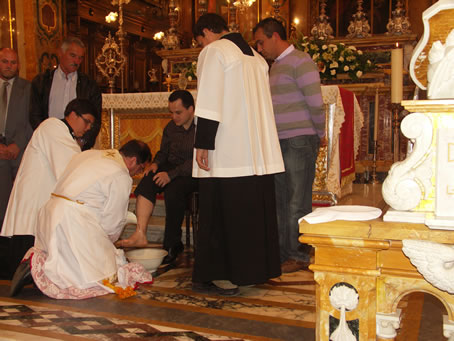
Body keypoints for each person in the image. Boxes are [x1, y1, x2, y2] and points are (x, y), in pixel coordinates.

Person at [191, 13, 284, 296]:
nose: (201, 45)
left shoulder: (215, 51)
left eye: (200, 40)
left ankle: (222, 275)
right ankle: (253, 272)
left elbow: (208, 99)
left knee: (221, 214)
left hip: (227, 150)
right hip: (254, 152)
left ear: (207, 32)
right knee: (252, 214)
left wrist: (203, 142)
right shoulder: (257, 58)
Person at [10, 140, 152, 299]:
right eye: (140, 169)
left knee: (66, 258)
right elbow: (113, 221)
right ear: (133, 161)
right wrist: (107, 243)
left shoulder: (90, 153)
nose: (137, 173)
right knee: (102, 274)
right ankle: (44, 272)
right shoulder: (120, 174)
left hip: (49, 213)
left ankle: (39, 266)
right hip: (72, 221)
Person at [253, 18, 326, 273]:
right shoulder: (274, 67)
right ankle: (284, 251)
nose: (260, 48)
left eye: (261, 42)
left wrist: (320, 133)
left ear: (275, 36)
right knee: (281, 199)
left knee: (298, 200)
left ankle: (298, 254)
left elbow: (316, 102)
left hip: (299, 139)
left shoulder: (301, 61)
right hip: (279, 140)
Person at [0, 98, 97, 278]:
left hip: (41, 201)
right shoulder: (53, 126)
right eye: (87, 121)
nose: (89, 127)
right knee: (23, 262)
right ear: (73, 115)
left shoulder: (64, 135)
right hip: (33, 202)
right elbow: (70, 167)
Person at [118, 90, 197, 265]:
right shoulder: (170, 127)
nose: (174, 117)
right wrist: (155, 164)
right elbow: (163, 153)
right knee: (148, 179)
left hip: (192, 171)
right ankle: (141, 233)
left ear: (191, 109)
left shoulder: (201, 128)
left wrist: (170, 175)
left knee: (173, 191)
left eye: (178, 112)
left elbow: (196, 160)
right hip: (171, 166)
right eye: (171, 112)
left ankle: (172, 245)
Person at [29, 37, 102, 150]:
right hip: (48, 142)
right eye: (73, 56)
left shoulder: (90, 85)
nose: (76, 61)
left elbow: (95, 120)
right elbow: (35, 114)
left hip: (77, 144)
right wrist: (46, 137)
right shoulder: (42, 82)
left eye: (80, 58)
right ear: (60, 53)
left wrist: (82, 142)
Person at [0, 48, 32, 279]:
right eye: (4, 61)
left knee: (18, 204)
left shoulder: (28, 89)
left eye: (13, 62)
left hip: (19, 152)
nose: (9, 65)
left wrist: (16, 146)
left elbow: (32, 121)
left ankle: (14, 256)